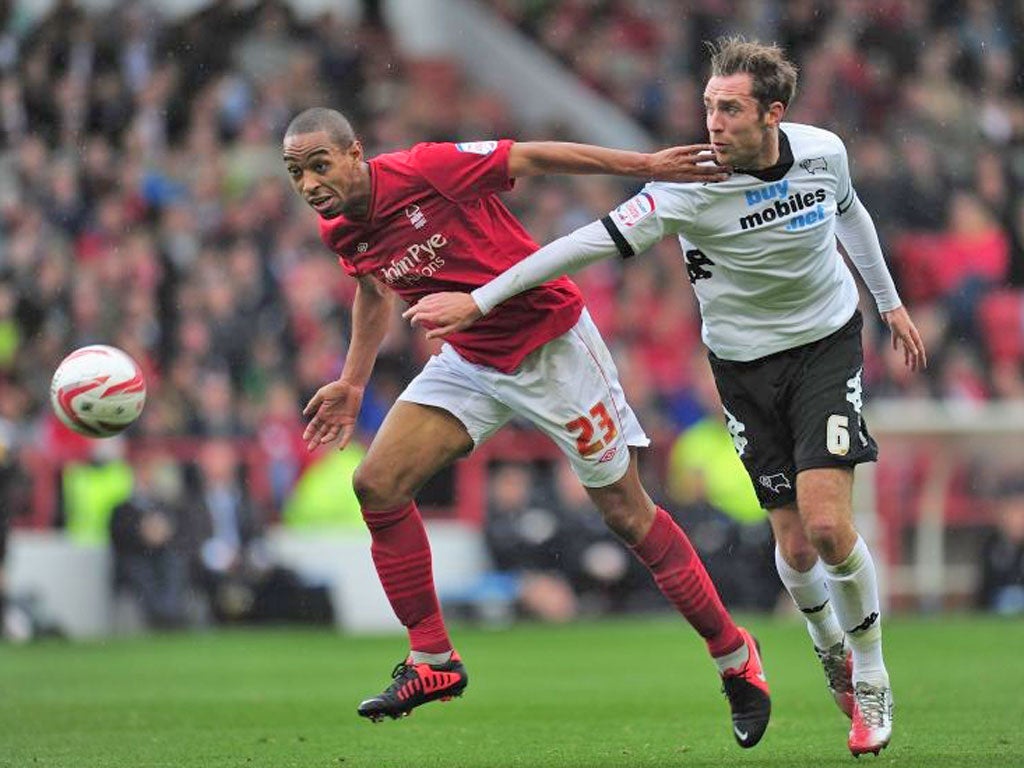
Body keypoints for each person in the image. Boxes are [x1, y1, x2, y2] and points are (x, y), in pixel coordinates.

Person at [405, 37, 929, 757]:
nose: (712, 121)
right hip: (744, 366)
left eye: (730, 108)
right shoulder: (686, 187)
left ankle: (869, 675)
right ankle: (826, 642)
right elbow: (581, 244)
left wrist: (890, 302)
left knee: (830, 526)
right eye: (709, 105)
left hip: (825, 345)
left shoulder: (821, 152)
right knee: (796, 546)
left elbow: (852, 214)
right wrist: (480, 300)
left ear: (772, 113)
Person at [283, 106, 772, 748]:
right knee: (376, 484)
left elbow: (532, 154)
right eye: (296, 172)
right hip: (472, 358)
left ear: (355, 152)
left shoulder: (425, 167)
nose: (310, 183)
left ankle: (735, 655)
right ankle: (434, 661)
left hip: (553, 348)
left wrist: (644, 167)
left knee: (628, 515)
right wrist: (351, 382)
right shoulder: (338, 228)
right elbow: (374, 290)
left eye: (320, 164)